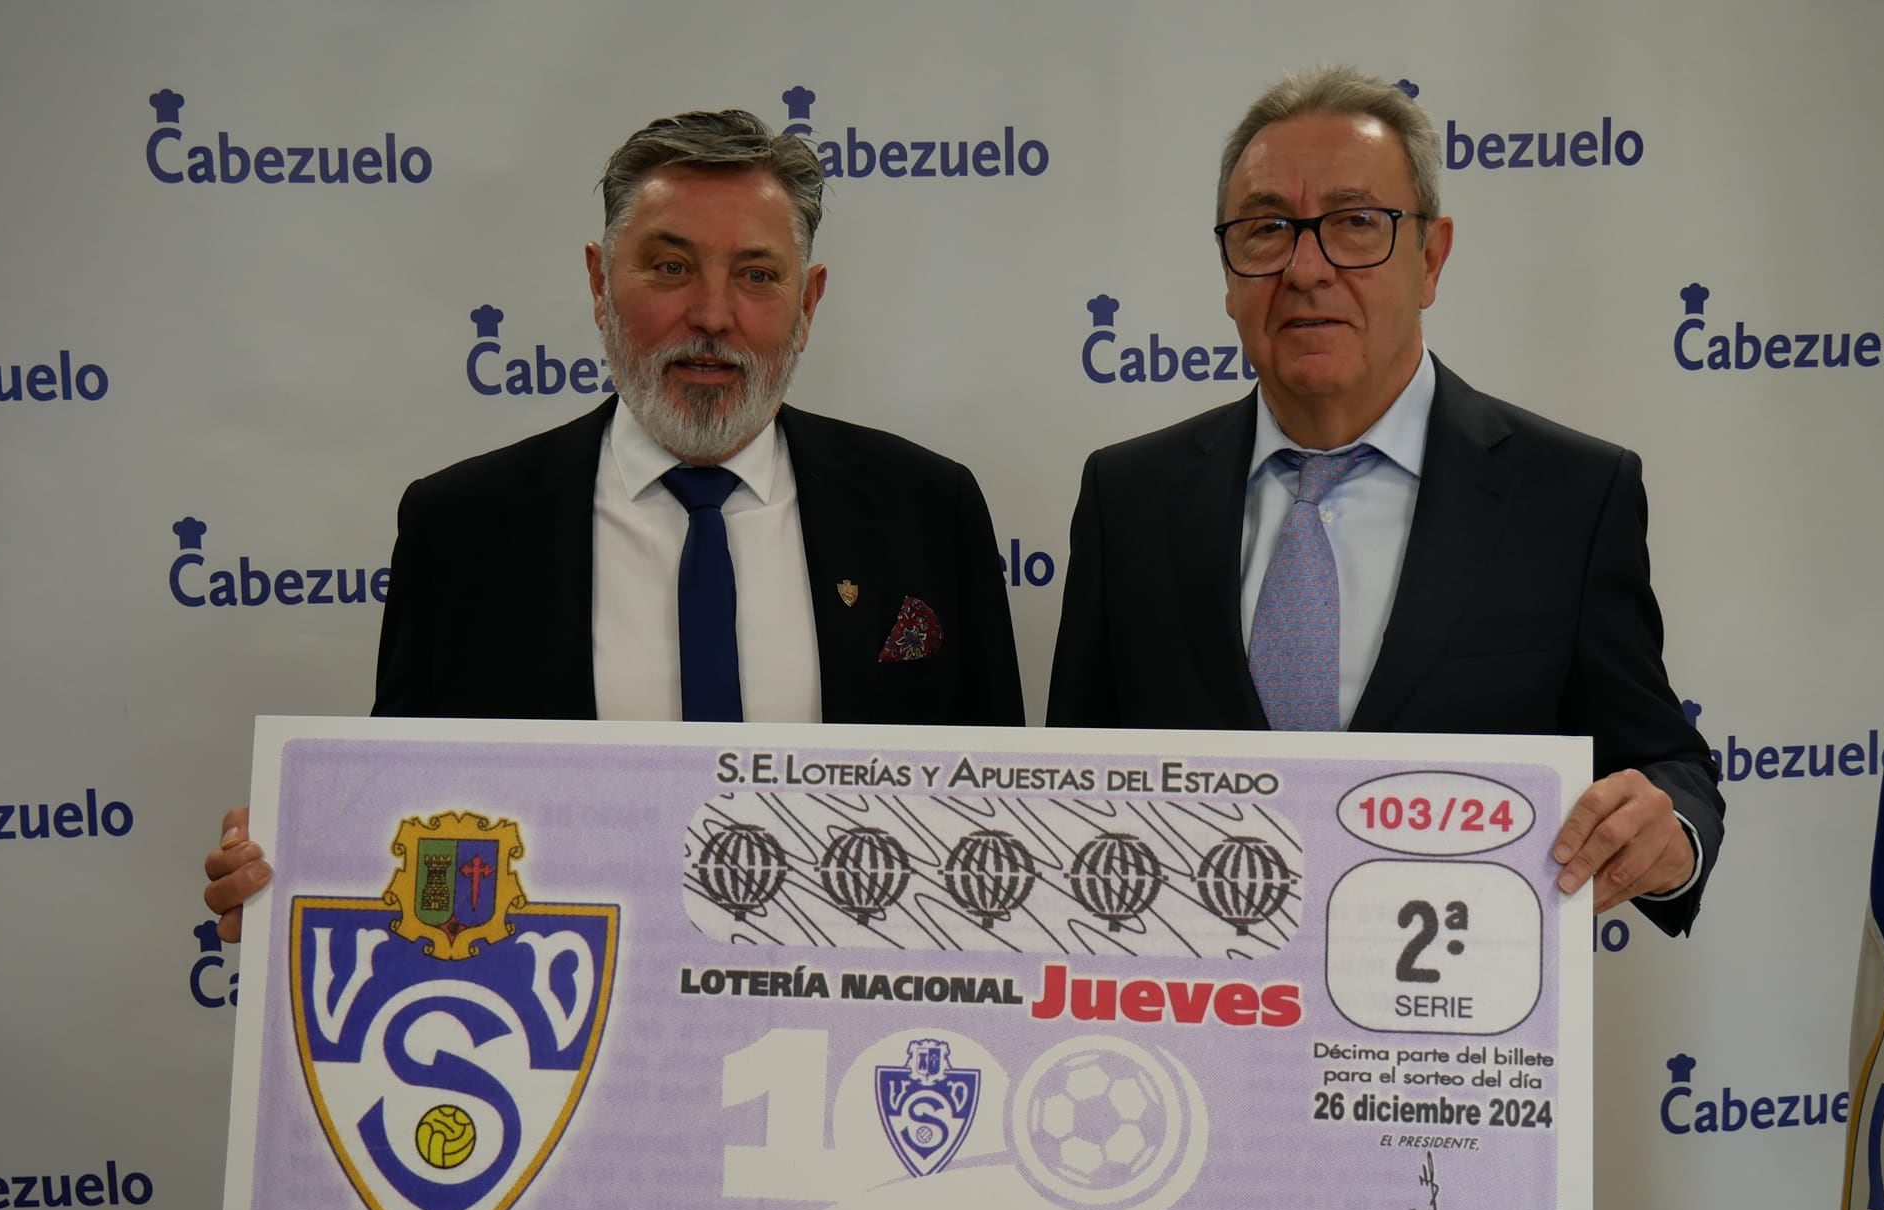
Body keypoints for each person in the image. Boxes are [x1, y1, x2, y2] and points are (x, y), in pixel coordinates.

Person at [206, 109, 1023, 938]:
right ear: (600, 284)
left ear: (808, 302)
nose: (712, 314)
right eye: (670, 268)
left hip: (856, 1025)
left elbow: (1007, 828)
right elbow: (416, 824)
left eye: (757, 276)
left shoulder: (929, 509)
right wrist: (298, 882)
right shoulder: (463, 530)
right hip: (586, 1033)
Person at [1046, 65, 1721, 936]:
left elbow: (1663, 760)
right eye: (1265, 231)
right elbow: (1069, 786)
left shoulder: (1569, 496)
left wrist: (1670, 829)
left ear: (1430, 258)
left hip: (1453, 1052)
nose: (1306, 267)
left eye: (1356, 224)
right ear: (1227, 271)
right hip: (1191, 1039)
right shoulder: (1127, 498)